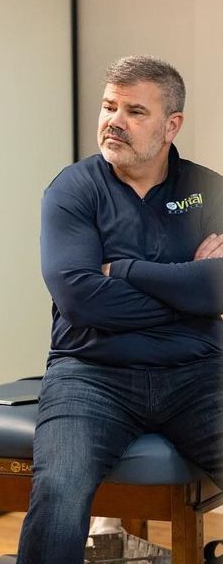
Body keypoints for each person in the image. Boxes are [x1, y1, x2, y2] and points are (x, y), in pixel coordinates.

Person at [16, 55, 223, 563]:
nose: (115, 121)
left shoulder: (209, 190)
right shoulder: (72, 190)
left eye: (134, 111)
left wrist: (125, 270)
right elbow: (79, 297)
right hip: (91, 374)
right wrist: (189, 292)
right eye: (109, 106)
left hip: (198, 372)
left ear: (171, 125)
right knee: (59, 491)